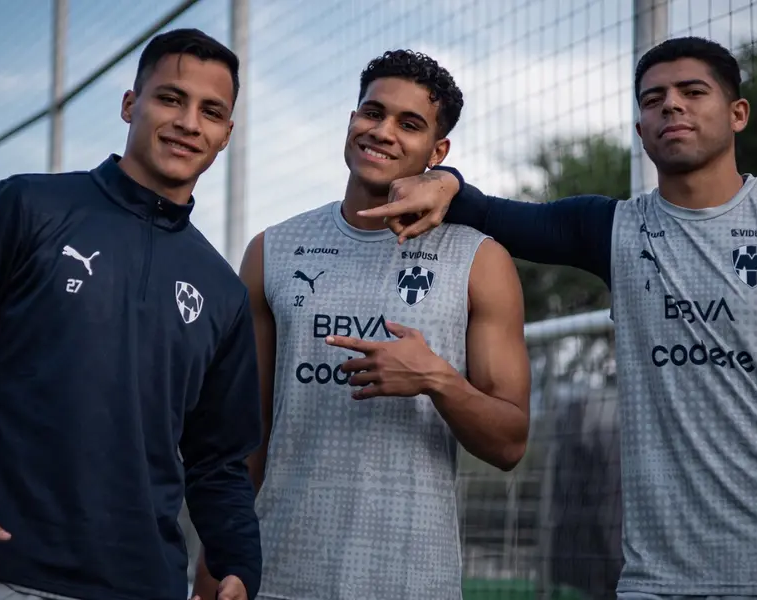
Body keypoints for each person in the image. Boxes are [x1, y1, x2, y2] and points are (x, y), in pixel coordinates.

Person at [358, 36, 757, 599]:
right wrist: (445, 179)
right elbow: (489, 211)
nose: (672, 106)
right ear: (640, 129)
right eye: (653, 98)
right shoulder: (611, 229)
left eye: (693, 91)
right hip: (661, 577)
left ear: (737, 113)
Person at [0, 28, 262, 600]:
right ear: (130, 104)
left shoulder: (222, 289)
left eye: (211, 111)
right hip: (3, 569)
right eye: (170, 98)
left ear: (225, 134)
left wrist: (238, 561)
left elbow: (218, 459)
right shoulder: (26, 206)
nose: (190, 122)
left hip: (145, 582)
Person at [192, 49, 532, 600]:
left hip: (411, 580)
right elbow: (242, 439)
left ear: (437, 151)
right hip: (277, 575)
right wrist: (212, 573)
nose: (383, 132)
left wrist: (437, 379)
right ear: (352, 120)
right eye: (372, 112)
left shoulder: (481, 260)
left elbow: (510, 444)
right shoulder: (272, 250)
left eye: (410, 123)